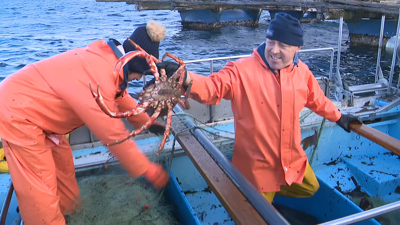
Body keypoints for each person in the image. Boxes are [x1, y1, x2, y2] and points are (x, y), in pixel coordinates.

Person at [151, 13, 362, 204]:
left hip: (293, 159)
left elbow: (318, 100)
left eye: (283, 45)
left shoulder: (303, 73)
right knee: (255, 215)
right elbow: (212, 87)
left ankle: (265, 192)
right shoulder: (242, 70)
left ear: (298, 48)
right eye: (271, 42)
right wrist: (185, 77)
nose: (274, 50)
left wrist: (339, 117)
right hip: (258, 169)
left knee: (311, 187)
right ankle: (251, 196)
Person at [0, 20, 170, 224]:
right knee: (40, 189)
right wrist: (146, 168)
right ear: (135, 64)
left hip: (46, 121)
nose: (138, 79)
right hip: (19, 113)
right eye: (140, 74)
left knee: (63, 168)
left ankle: (70, 213)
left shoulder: (110, 62)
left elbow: (119, 96)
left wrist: (148, 123)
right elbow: (111, 132)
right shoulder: (99, 75)